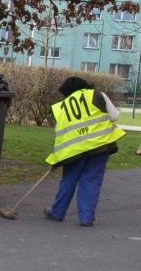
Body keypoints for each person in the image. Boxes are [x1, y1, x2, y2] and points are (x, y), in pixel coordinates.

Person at [43, 76, 125, 226]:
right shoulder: (98, 95)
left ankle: (57, 212)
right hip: (99, 146)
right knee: (92, 180)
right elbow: (114, 117)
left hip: (74, 150)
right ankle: (86, 218)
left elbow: (59, 131)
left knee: (69, 179)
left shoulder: (61, 106)